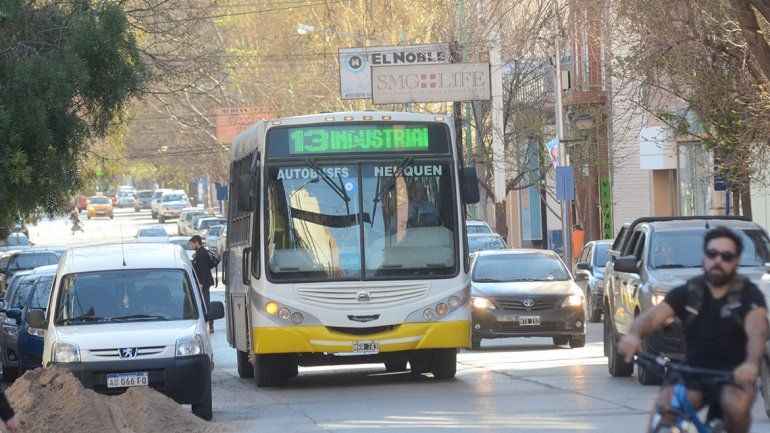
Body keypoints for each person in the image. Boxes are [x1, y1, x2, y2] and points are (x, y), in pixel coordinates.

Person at [617, 227, 768, 433]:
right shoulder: (690, 292)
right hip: (691, 373)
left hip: (733, 375)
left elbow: (757, 332)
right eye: (712, 254)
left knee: (736, 408)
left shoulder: (749, 295)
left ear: (736, 261)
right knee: (666, 414)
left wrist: (751, 364)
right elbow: (653, 316)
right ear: (704, 257)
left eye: (726, 256)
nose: (718, 261)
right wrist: (634, 335)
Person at [190, 235, 215, 333]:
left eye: (192, 244)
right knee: (204, 303)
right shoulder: (200, 252)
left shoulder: (201, 253)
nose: (191, 246)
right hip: (204, 282)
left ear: (197, 243)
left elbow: (203, 270)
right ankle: (209, 324)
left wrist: (201, 283)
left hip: (203, 283)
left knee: (205, 304)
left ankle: (210, 324)